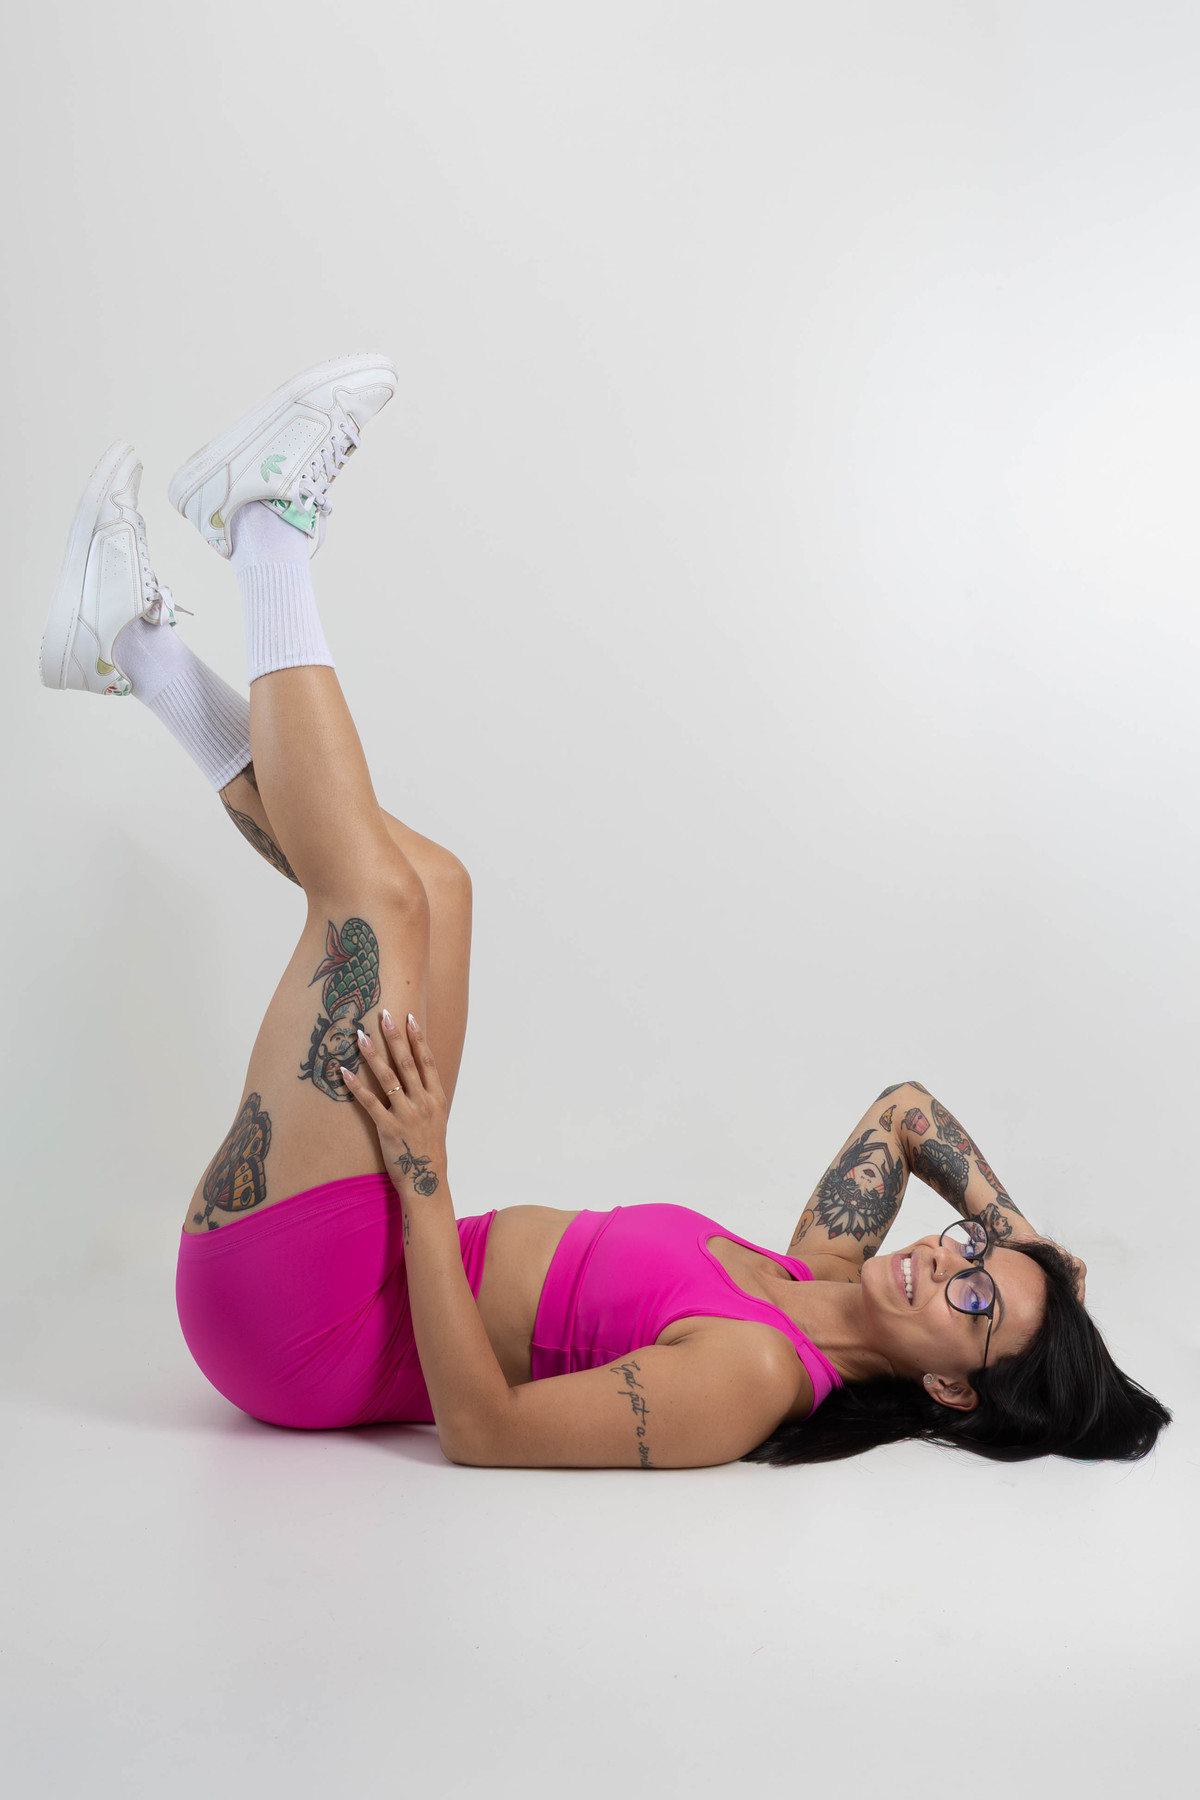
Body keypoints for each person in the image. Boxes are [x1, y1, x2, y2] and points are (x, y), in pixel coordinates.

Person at [40, 356, 1171, 1471]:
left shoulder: (757, 1376)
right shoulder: (816, 1276)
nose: (946, 1261)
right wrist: (1024, 1239)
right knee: (436, 890)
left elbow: (483, 1430)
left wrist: (424, 1171)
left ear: (953, 1388)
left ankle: (265, 532)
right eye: (968, 1249)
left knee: (372, 904)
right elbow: (905, 1112)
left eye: (974, 1299)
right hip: (371, 1252)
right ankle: (133, 647)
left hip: (302, 1326)